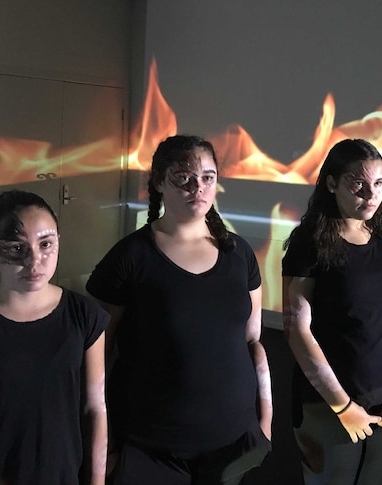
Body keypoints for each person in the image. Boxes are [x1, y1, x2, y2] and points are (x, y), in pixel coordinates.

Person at [86, 135, 272, 484]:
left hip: (231, 443)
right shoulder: (130, 258)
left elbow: (252, 342)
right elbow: (99, 356)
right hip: (150, 447)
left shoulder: (239, 254)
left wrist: (264, 424)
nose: (197, 187)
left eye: (207, 177)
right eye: (183, 177)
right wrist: (103, 443)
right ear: (159, 181)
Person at [0, 190, 109, 485]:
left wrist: (97, 481)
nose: (33, 260)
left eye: (46, 244)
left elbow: (95, 408)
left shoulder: (84, 316)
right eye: (16, 248)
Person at [282, 139, 382, 484]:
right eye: (358, 184)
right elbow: (298, 329)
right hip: (326, 406)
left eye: (378, 184)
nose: (370, 195)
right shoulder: (309, 245)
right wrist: (342, 406)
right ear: (332, 183)